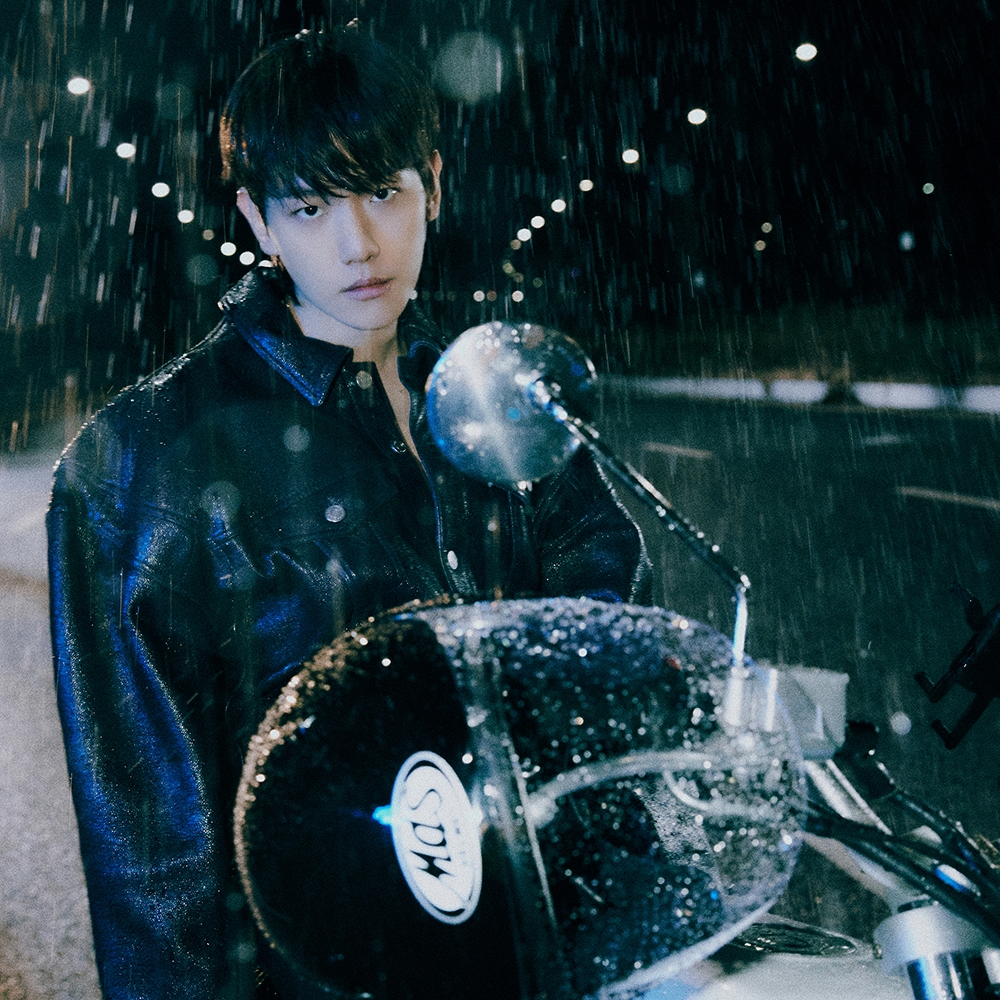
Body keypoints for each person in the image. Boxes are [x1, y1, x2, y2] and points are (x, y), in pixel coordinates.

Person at [47, 26, 650, 1000]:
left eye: (381, 192)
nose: (358, 244)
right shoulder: (140, 462)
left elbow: (609, 586)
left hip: (549, 936)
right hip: (336, 969)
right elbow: (151, 856)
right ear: (258, 218)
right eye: (310, 205)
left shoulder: (493, 386)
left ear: (433, 185)